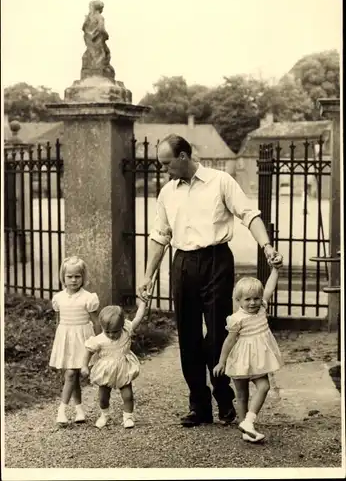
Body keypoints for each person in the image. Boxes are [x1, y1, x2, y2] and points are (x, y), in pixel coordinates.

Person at [138, 134, 283, 428]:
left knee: (219, 332)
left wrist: (266, 246)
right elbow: (160, 236)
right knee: (188, 336)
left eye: (167, 164)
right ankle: (199, 405)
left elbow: (249, 214)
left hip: (217, 260)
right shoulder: (167, 192)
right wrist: (147, 275)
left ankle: (224, 397)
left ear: (183, 156)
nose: (164, 170)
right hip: (183, 263)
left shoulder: (220, 181)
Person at [213, 264, 283, 442]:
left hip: (258, 360)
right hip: (241, 360)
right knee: (242, 395)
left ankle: (249, 421)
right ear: (239, 300)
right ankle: (246, 430)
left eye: (256, 299)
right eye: (248, 299)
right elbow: (229, 342)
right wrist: (221, 362)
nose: (253, 303)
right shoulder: (236, 319)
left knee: (264, 386)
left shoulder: (262, 309)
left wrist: (275, 270)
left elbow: (269, 288)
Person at [49, 256, 101, 425]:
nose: (73, 280)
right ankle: (64, 411)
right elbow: (59, 321)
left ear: (83, 277)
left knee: (74, 375)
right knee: (71, 374)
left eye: (77, 276)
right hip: (66, 338)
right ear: (63, 277)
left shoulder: (88, 298)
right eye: (69, 276)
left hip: (83, 339)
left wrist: (100, 343)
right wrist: (59, 343)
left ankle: (76, 410)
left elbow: (96, 321)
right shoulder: (59, 298)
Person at [81, 301, 147, 429]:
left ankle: (128, 417)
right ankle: (104, 415)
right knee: (103, 396)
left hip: (123, 368)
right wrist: (84, 366)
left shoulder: (127, 331)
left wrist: (143, 304)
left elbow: (138, 317)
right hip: (106, 370)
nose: (112, 335)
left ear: (122, 326)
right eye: (108, 332)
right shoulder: (99, 340)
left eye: (115, 331)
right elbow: (88, 351)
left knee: (128, 395)